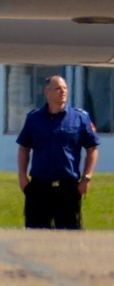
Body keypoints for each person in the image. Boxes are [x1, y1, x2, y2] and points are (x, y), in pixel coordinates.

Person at [17, 74, 98, 229]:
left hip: (67, 189)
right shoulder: (34, 119)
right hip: (40, 188)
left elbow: (92, 149)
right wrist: (22, 176)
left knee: (70, 238)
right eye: (58, 89)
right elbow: (24, 148)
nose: (63, 92)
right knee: (35, 237)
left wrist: (86, 178)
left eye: (65, 88)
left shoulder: (79, 118)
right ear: (47, 92)